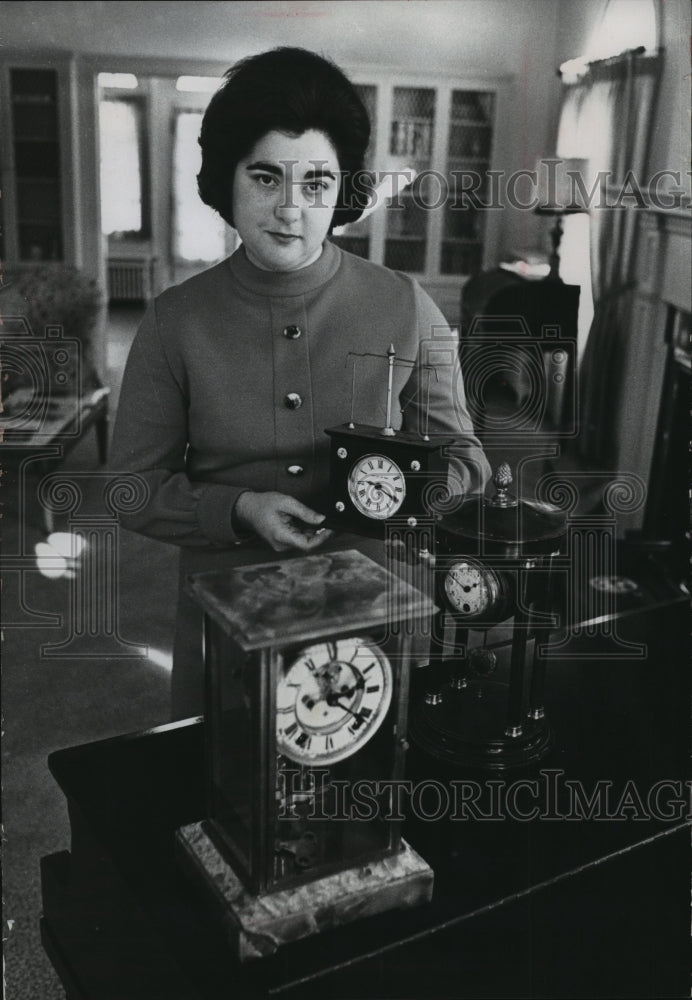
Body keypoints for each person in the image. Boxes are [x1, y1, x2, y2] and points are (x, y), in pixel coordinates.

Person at [110, 47, 490, 719]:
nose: (290, 208)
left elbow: (466, 460)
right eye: (265, 178)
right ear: (226, 180)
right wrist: (239, 509)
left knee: (366, 796)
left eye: (315, 182)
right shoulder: (174, 322)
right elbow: (132, 489)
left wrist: (406, 492)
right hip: (225, 614)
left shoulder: (406, 304)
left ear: (341, 190)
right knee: (225, 794)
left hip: (371, 608)